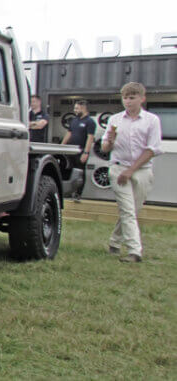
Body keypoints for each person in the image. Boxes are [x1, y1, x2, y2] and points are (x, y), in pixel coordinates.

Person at [100, 82, 162, 263]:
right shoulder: (115, 120)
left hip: (142, 170)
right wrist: (110, 142)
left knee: (133, 210)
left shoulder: (152, 120)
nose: (128, 101)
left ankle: (114, 241)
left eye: (132, 97)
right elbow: (105, 147)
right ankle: (135, 251)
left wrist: (131, 170)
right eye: (125, 97)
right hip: (118, 167)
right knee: (127, 210)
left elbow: (152, 149)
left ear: (142, 99)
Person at [61, 99, 96, 200]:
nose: (75, 110)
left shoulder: (90, 122)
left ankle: (78, 193)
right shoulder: (74, 120)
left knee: (80, 172)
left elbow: (90, 138)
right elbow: (69, 133)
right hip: (70, 150)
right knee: (69, 170)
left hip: (81, 151)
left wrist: (86, 152)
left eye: (77, 108)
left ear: (83, 108)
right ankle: (67, 192)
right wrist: (62, 146)